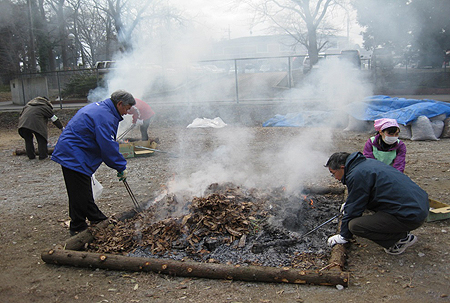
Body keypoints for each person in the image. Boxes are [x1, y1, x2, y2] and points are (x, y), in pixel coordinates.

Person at [52, 90, 136, 236]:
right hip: (74, 153)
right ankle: (78, 227)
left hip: (75, 151)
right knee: (79, 193)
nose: (127, 112)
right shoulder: (105, 116)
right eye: (127, 108)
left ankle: (94, 219)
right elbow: (107, 146)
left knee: (80, 191)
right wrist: (120, 166)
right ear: (119, 103)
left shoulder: (103, 109)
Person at [325, 152, 429, 255]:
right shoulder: (365, 164)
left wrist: (343, 236)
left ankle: (400, 240)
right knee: (361, 213)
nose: (335, 177)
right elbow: (363, 195)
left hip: (411, 215)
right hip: (418, 206)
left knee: (355, 226)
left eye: (333, 173)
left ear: (342, 167)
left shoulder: (357, 174)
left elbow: (354, 209)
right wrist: (349, 203)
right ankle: (398, 230)